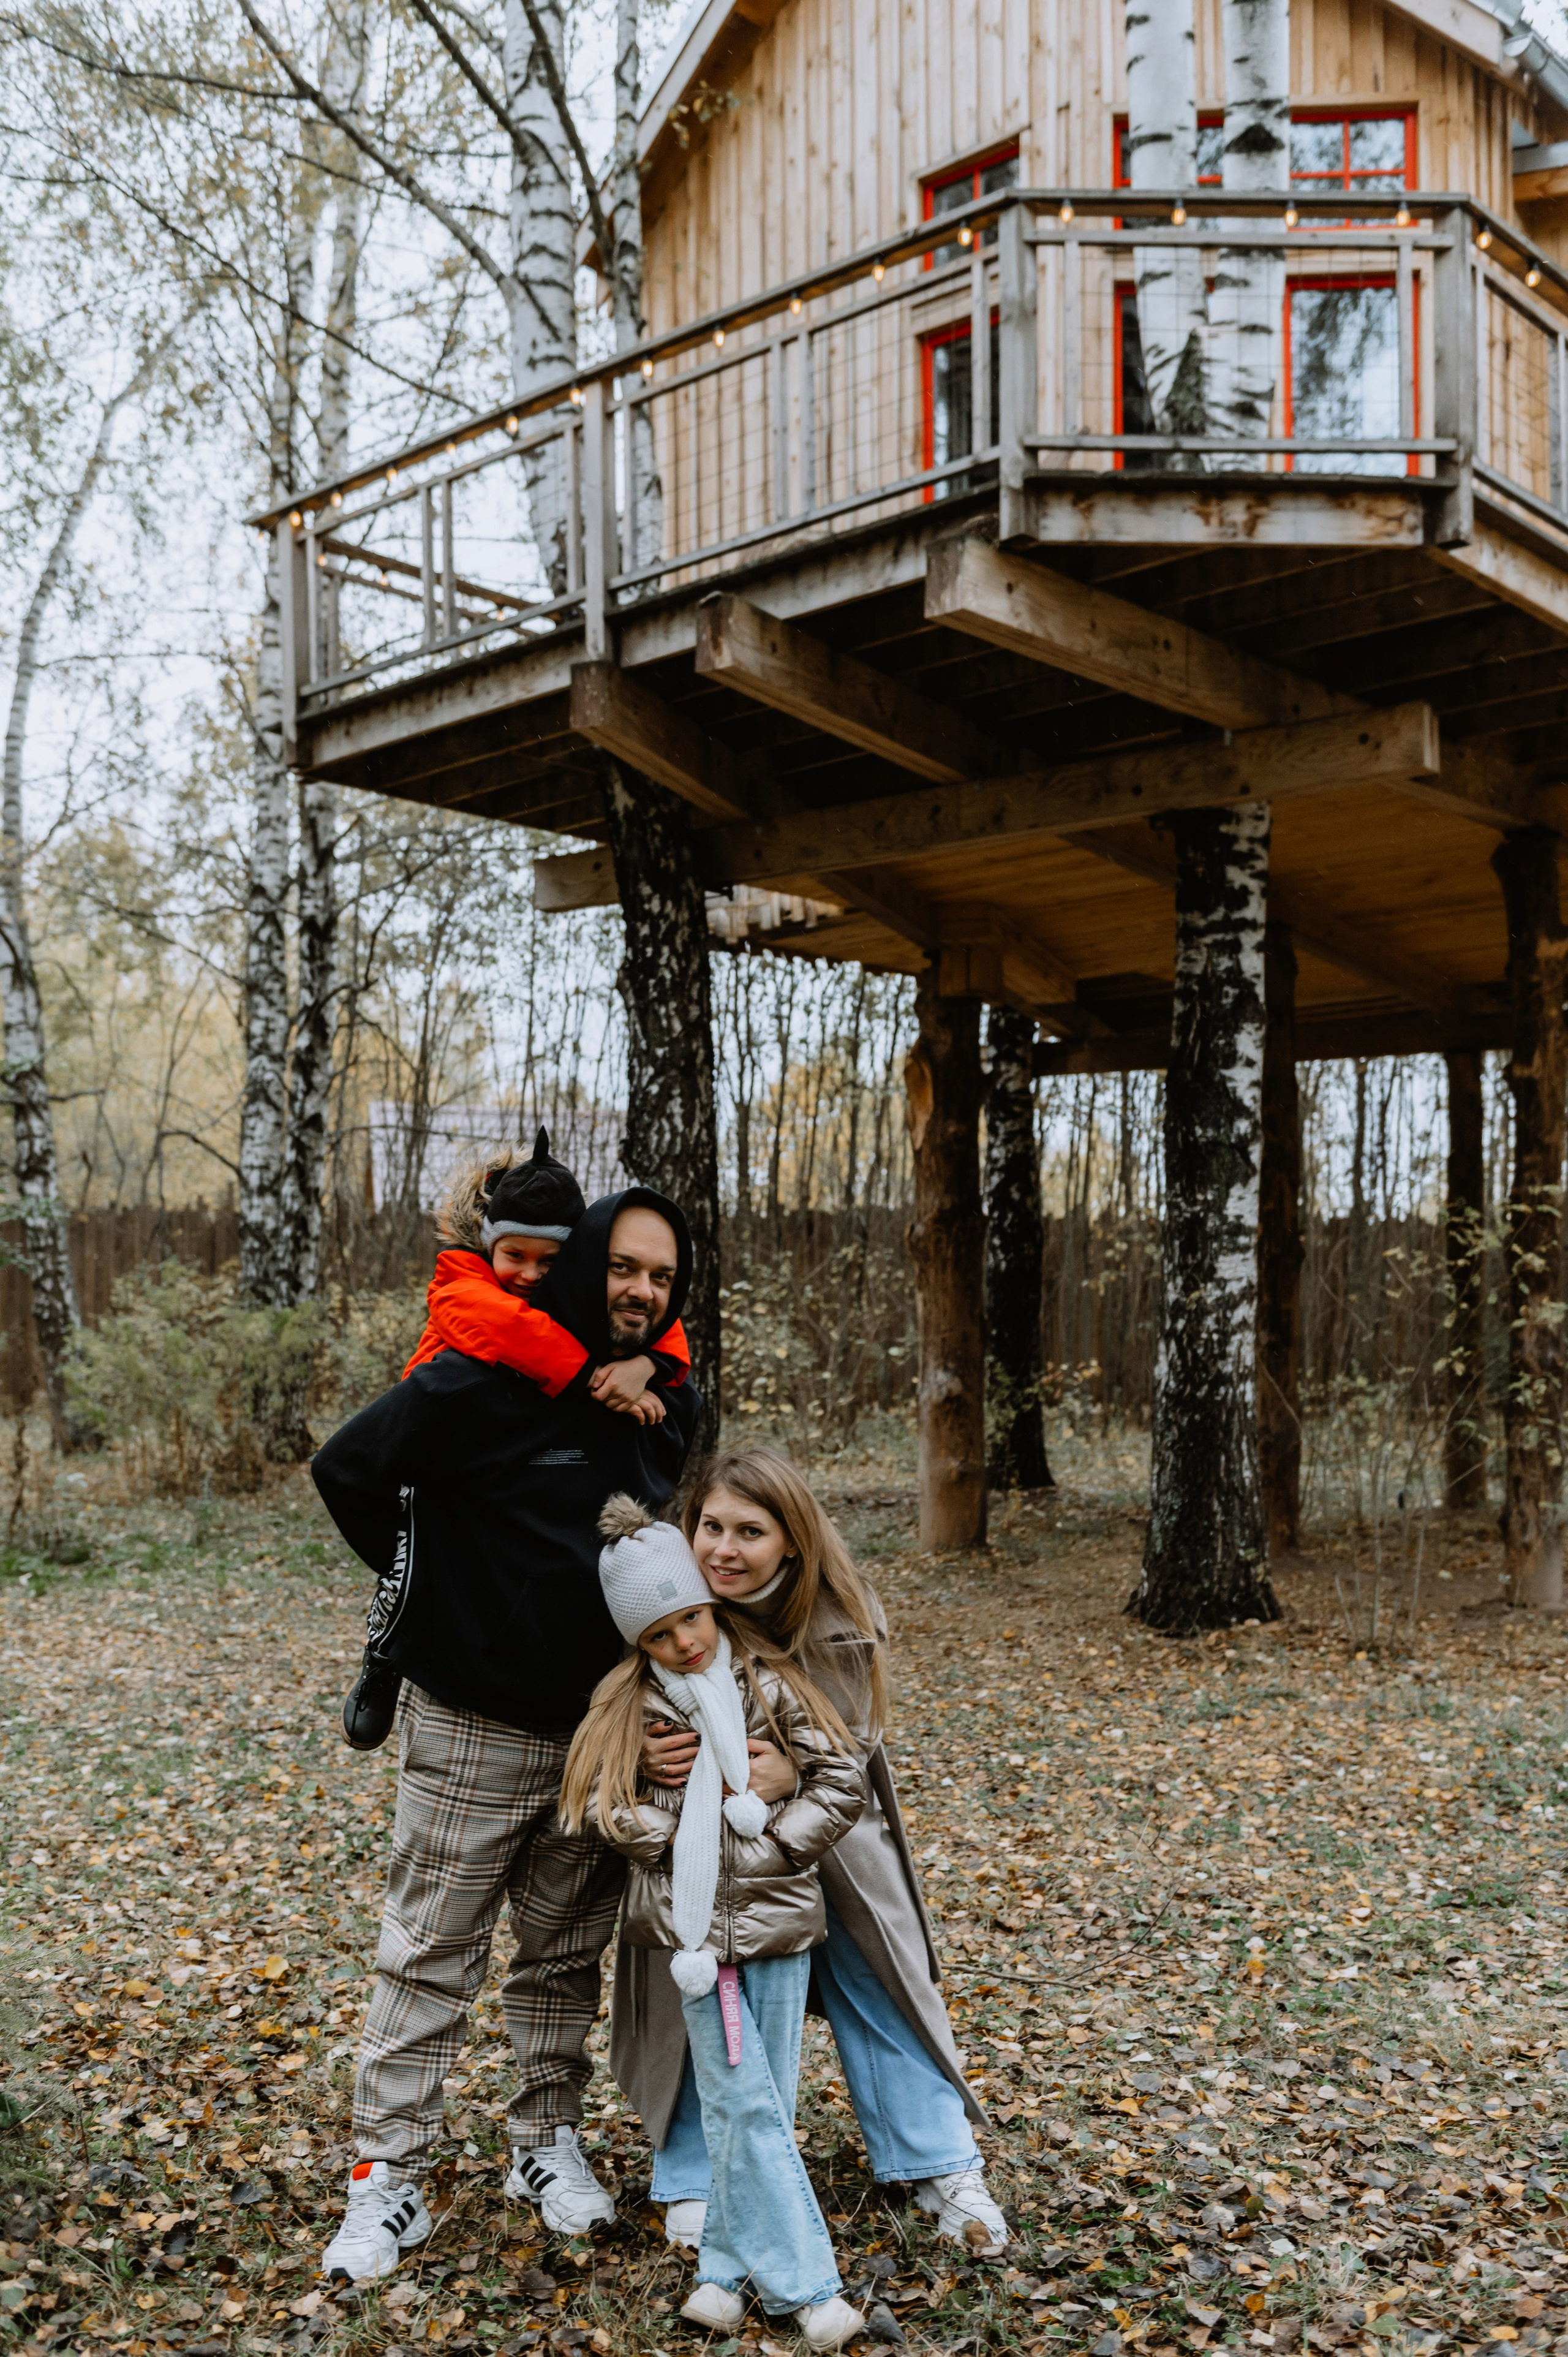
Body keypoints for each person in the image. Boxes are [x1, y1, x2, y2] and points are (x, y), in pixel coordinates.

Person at [310, 1187, 702, 2279]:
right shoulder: (475, 1380)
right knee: (432, 1947)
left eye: (663, 1277)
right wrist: (429, 1587)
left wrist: (659, 1373)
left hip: (598, 1730)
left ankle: (545, 2139)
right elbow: (347, 1469)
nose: (641, 1290)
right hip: (473, 1719)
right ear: (585, 1265)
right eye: (625, 1266)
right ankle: (387, 2178)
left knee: (563, 1949)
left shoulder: (664, 1400)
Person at [619, 1448, 1011, 2259]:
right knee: (696, 1974)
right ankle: (696, 2166)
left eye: (750, 1531)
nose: (723, 1548)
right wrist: (642, 1757)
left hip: (824, 1833)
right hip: (700, 1846)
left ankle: (940, 2160)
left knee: (876, 1969)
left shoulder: (838, 1609)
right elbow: (623, 1707)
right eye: (710, 1525)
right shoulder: (669, 1600)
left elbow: (853, 1741)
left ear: (791, 1540)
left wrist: (794, 1767)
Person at [562, 1499, 868, 2353]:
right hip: (693, 1934)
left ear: (709, 1603)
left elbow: (844, 1782)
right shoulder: (631, 1704)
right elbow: (596, 1800)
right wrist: (661, 1831)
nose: (686, 1642)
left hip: (775, 1925)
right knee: (744, 2102)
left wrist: (772, 1833)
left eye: (691, 1617)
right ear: (638, 1641)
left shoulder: (767, 1681)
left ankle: (723, 2275)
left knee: (760, 2101)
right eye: (660, 1633)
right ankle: (810, 2289)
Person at [340, 1132, 690, 1751]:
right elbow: (513, 1333)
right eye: (515, 1256)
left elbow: (662, 1327)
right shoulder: (466, 1289)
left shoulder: (602, 1325)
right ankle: (385, 1653)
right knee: (407, 1569)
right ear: (490, 1246)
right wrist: (587, 1376)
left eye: (549, 1261)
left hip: (585, 1699)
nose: (529, 1275)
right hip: (424, 1457)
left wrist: (652, 1368)